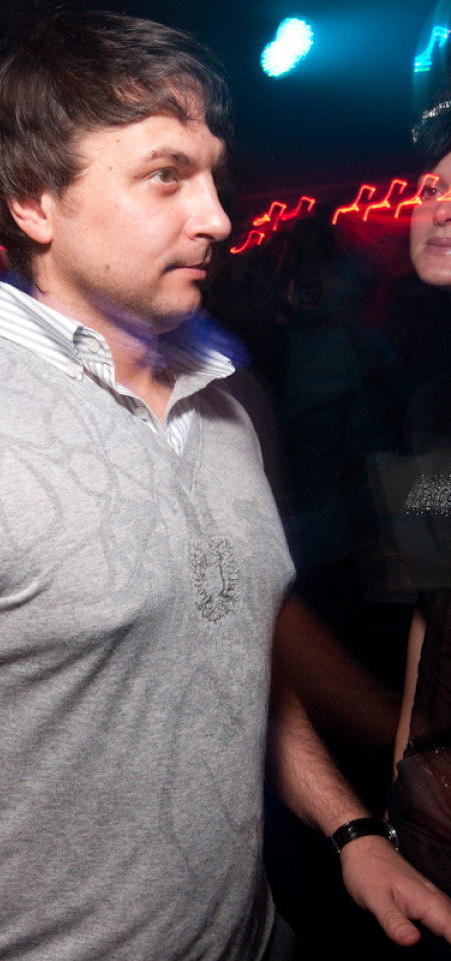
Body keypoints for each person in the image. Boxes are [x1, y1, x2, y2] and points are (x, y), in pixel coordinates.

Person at [0, 11, 450, 961]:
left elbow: (236, 653)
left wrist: (350, 829)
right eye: (165, 175)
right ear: (34, 201)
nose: (218, 217)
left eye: (212, 175)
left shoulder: (225, 409)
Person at [385, 98, 451, 958]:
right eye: (433, 186)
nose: (441, 206)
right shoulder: (429, 405)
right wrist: (399, 775)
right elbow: (426, 597)